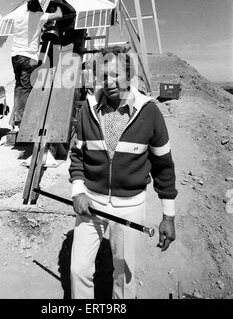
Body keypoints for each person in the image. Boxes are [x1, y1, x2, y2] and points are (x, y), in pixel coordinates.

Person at [69, 46, 177, 299]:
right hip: (91, 203)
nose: (108, 82)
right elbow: (77, 155)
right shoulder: (88, 108)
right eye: (103, 76)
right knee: (77, 271)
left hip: (129, 206)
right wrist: (77, 192)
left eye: (115, 74)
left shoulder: (149, 113)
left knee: (124, 277)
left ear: (128, 76)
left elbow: (164, 168)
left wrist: (168, 216)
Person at [10, 0, 62, 128]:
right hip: (28, 57)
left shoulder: (18, 13)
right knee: (27, 87)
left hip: (15, 56)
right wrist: (57, 4)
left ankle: (18, 115)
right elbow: (59, 15)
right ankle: (24, 119)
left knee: (19, 86)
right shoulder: (39, 16)